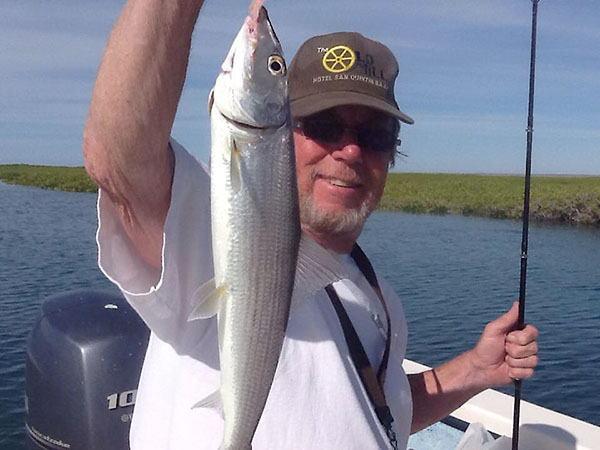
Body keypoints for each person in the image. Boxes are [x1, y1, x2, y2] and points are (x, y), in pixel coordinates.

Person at [83, 1, 539, 449]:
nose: (350, 151)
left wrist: (476, 370)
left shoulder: (378, 294)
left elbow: (377, 413)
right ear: (285, 127)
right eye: (324, 125)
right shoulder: (210, 230)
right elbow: (118, 158)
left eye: (375, 134)